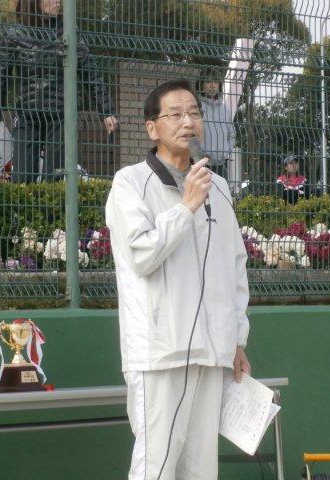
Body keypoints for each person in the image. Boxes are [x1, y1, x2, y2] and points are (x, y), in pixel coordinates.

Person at [105, 79, 251, 480]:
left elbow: (234, 267)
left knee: (201, 469)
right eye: (175, 114)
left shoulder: (218, 187)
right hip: (160, 353)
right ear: (152, 128)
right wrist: (186, 207)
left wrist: (237, 339)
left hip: (212, 351)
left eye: (194, 113)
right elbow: (141, 255)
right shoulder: (130, 183)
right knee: (156, 465)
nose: (188, 122)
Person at [0, 0, 118, 183]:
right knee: (22, 178)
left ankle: (53, 201)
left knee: (53, 178)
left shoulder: (68, 32)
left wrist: (106, 111)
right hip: (27, 115)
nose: (58, 1)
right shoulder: (15, 34)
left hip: (59, 116)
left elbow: (90, 73)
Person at [197, 68, 235, 179]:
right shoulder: (196, 106)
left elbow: (231, 134)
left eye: (215, 82)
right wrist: (197, 155)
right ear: (201, 85)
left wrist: (226, 152)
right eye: (208, 81)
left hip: (221, 165)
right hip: (200, 163)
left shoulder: (225, 109)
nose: (212, 85)